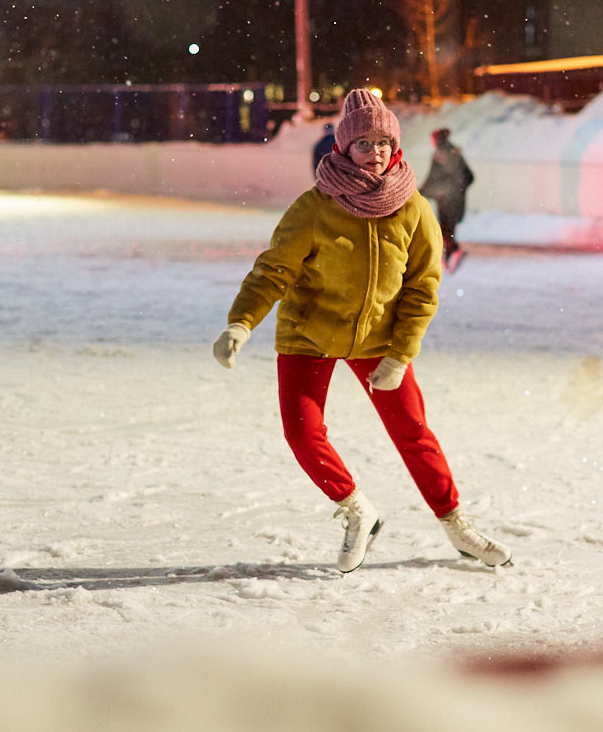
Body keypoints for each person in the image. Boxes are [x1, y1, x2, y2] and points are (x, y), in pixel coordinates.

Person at [213, 89, 511, 573]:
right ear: (343, 147)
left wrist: (399, 355)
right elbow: (272, 271)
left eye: (382, 142)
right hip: (309, 335)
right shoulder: (314, 207)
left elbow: (422, 287)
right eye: (363, 143)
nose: (374, 151)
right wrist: (241, 321)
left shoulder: (413, 208)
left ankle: (457, 526)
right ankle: (358, 512)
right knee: (302, 433)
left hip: (380, 341)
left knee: (413, 433)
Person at [418, 128, 475, 272]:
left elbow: (432, 178)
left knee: (445, 231)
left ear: (437, 140)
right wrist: (458, 190)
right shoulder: (455, 153)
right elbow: (469, 177)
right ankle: (449, 256)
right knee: (449, 230)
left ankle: (452, 253)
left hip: (446, 201)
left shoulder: (439, 155)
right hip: (455, 200)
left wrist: (420, 193)